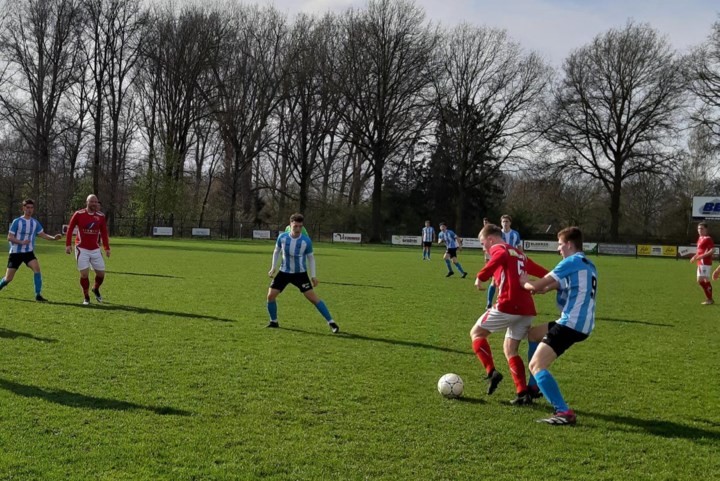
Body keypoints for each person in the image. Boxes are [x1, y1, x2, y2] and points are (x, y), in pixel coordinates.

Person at [521, 226, 597, 426]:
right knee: (533, 335)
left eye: (560, 244)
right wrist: (542, 288)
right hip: (584, 323)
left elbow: (537, 286)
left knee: (536, 365)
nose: (558, 249)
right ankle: (534, 387)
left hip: (571, 323)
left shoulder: (570, 261)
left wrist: (525, 282)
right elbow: (549, 286)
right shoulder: (588, 265)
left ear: (570, 245)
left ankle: (563, 411)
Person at [471, 223, 548, 404]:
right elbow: (539, 270)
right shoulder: (519, 253)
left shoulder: (499, 248)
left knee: (476, 333)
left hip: (508, 304)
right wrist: (553, 281)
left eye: (483, 244)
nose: (484, 248)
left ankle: (491, 372)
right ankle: (522, 393)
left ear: (490, 239)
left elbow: (497, 258)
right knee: (510, 349)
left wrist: (480, 277)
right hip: (526, 309)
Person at [267, 213, 339, 333]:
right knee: (270, 296)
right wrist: (273, 267)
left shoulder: (306, 241)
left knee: (313, 298)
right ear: (290, 225)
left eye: (300, 226)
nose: (298, 229)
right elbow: (276, 251)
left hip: (300, 274)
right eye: (295, 226)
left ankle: (331, 322)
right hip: (284, 273)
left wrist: (313, 276)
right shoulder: (282, 237)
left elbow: (311, 258)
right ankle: (273, 321)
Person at [0, 199, 63, 302]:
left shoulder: (35, 222)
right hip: (16, 253)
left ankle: (38, 295)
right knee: (8, 278)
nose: (29, 210)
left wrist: (53, 238)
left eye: (31, 208)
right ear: (23, 208)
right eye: (27, 207)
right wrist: (21, 242)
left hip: (28, 252)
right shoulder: (17, 221)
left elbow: (42, 234)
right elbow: (9, 237)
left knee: (37, 269)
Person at [65, 194, 111, 305]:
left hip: (95, 249)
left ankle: (95, 288)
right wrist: (68, 245)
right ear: (87, 202)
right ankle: (86, 297)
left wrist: (106, 248)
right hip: (82, 249)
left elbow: (104, 233)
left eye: (96, 202)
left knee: (101, 274)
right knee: (84, 274)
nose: (94, 204)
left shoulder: (101, 216)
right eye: (92, 202)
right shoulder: (79, 214)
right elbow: (70, 229)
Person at [487, 214, 522, 308]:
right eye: (503, 221)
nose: (505, 223)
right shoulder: (497, 234)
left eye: (507, 221)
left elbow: (519, 246)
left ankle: (510, 302)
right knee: (494, 281)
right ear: (501, 223)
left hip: (512, 261)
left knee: (512, 282)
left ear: (510, 223)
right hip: (499, 260)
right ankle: (489, 303)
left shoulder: (515, 234)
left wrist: (521, 256)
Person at [690, 222, 714, 305]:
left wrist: (702, 256)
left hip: (705, 262)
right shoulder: (700, 238)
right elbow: (699, 251)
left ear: (706, 229)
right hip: (700, 262)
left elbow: (712, 250)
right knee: (702, 280)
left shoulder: (708, 238)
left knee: (703, 280)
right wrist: (695, 257)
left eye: (701, 228)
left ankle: (709, 299)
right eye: (698, 228)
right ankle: (709, 299)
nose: (699, 230)